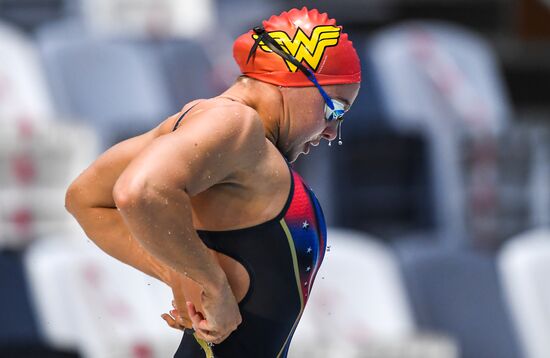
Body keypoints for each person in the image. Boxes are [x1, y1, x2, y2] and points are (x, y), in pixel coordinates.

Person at [65, 7, 360, 358]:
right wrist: (210, 282)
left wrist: (182, 271)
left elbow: (85, 197)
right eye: (335, 110)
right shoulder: (234, 123)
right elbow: (137, 190)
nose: (332, 131)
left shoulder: (214, 125)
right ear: (294, 80)